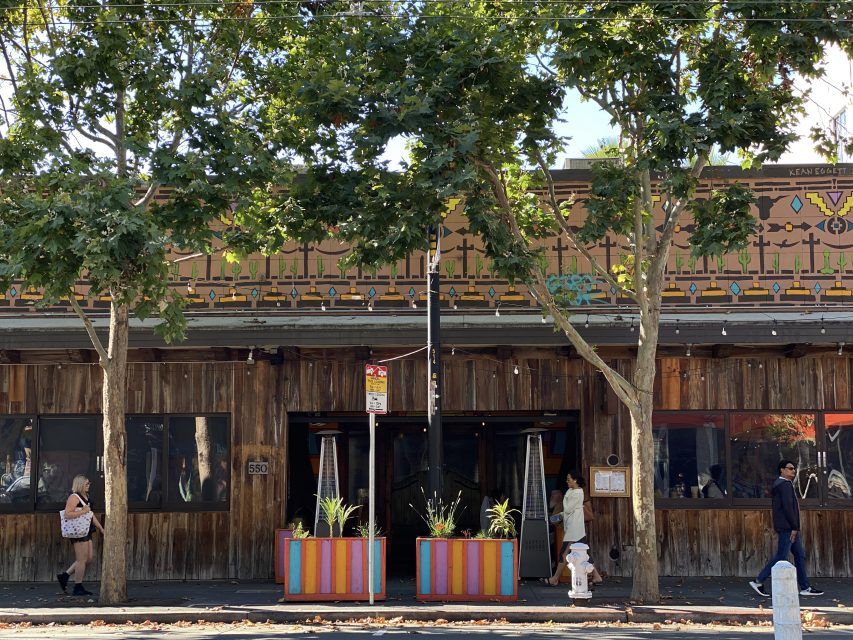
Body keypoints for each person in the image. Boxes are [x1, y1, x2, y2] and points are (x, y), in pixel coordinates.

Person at [749, 460, 823, 597]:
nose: (793, 471)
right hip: (787, 527)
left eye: (794, 468)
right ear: (782, 470)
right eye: (790, 468)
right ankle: (758, 581)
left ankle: (805, 587)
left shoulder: (783, 484)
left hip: (788, 526)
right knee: (781, 556)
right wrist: (794, 527)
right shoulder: (784, 485)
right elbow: (788, 507)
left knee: (799, 555)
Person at [56, 475, 104, 596]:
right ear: (80, 484)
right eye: (86, 483)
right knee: (81, 559)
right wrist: (83, 511)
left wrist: (101, 528)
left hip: (86, 529)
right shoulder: (74, 497)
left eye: (89, 483)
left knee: (88, 558)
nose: (88, 485)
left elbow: (91, 514)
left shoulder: (86, 497)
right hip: (77, 531)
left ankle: (65, 576)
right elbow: (67, 514)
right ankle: (78, 587)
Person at [544, 471, 585, 586]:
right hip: (574, 527)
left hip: (573, 528)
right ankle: (596, 576)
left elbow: (568, 509)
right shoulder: (572, 491)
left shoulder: (577, 493)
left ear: (575, 480)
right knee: (583, 553)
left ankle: (555, 578)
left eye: (569, 479)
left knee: (564, 553)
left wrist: (563, 503)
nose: (567, 481)